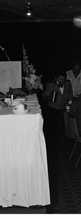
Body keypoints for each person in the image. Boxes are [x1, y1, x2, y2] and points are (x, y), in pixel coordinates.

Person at [42, 70, 73, 208]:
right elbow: (44, 97)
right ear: (56, 78)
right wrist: (47, 95)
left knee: (62, 130)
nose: (61, 80)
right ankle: (53, 148)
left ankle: (61, 147)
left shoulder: (67, 84)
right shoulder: (50, 85)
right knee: (53, 131)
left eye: (63, 78)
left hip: (61, 109)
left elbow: (69, 94)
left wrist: (70, 102)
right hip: (52, 109)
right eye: (60, 78)